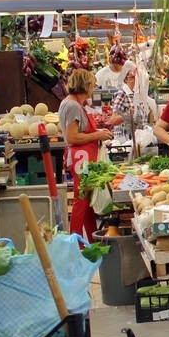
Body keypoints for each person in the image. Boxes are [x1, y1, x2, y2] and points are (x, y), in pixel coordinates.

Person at [60, 69, 115, 241]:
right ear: (85, 85)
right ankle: (75, 243)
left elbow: (80, 131)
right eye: (92, 84)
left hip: (83, 157)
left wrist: (98, 131)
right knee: (81, 200)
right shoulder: (73, 106)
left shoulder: (71, 104)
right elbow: (72, 136)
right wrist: (97, 135)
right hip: (81, 158)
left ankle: (91, 238)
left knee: (87, 202)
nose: (93, 88)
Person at [109, 66, 155, 141]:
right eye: (132, 77)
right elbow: (113, 120)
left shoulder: (136, 94)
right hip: (125, 141)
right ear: (126, 79)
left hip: (137, 139)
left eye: (138, 77)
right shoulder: (122, 94)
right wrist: (127, 114)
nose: (136, 80)